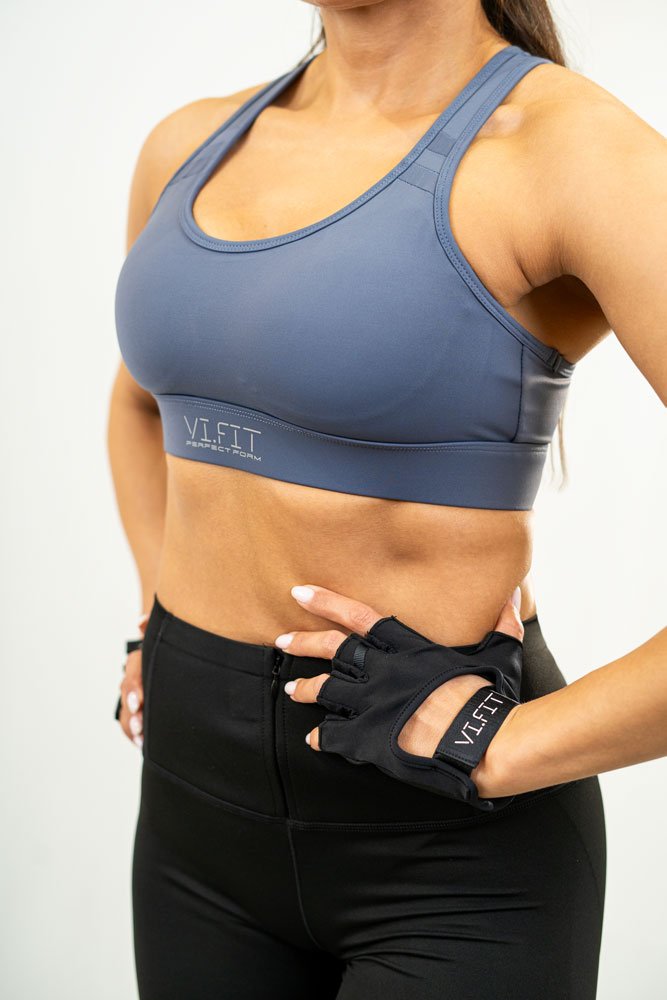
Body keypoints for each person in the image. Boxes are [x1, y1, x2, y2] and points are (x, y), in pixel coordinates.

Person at [108, 1, 666, 997]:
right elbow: (145, 405)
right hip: (195, 826)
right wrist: (163, 615)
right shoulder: (189, 144)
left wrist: (504, 743)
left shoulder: (574, 155)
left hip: (448, 855)